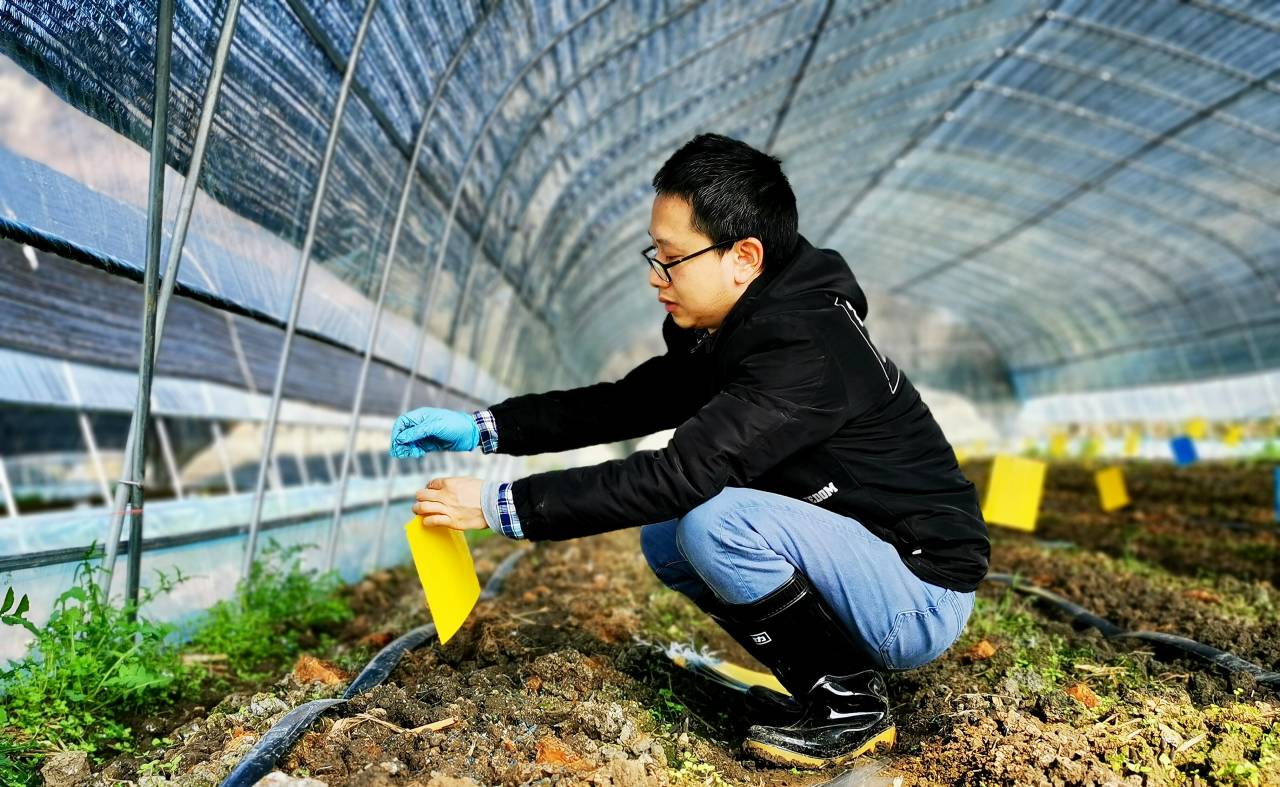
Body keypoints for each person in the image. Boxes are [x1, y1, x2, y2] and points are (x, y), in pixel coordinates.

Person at [389, 133, 989, 769]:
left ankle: (848, 706)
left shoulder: (803, 351)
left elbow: (681, 474)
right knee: (668, 536)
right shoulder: (742, 325)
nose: (656, 277)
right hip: (862, 557)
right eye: (655, 255)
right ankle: (826, 682)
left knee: (711, 522)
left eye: (670, 259)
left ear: (743, 257)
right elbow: (624, 404)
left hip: (918, 592)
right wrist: (484, 428)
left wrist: (499, 504)